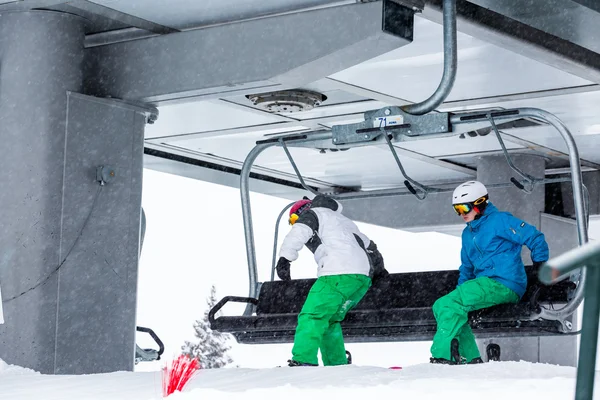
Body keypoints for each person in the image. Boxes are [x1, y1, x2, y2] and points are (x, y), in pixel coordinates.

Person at [430, 181, 549, 364]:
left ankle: (443, 356)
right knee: (442, 305)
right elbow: (467, 268)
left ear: (480, 203)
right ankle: (470, 359)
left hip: (504, 283)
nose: (461, 214)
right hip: (483, 287)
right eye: (457, 210)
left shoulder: (500, 221)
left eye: (464, 208)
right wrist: (466, 300)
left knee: (448, 305)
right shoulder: (467, 234)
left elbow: (534, 237)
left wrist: (540, 266)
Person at [276, 194, 387, 367]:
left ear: (304, 211)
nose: (296, 223)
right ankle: (337, 364)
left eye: (295, 218)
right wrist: (380, 271)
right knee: (329, 320)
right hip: (361, 278)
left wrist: (285, 258)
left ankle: (304, 360)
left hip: (338, 272)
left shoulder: (313, 214)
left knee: (312, 316)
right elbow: (370, 246)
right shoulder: (343, 221)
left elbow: (299, 232)